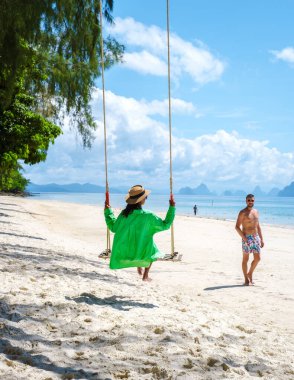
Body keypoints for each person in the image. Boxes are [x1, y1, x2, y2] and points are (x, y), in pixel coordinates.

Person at [104, 184, 176, 282]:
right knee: (152, 250)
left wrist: (107, 211)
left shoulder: (124, 215)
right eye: (145, 197)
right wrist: (172, 208)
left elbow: (113, 227)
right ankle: (145, 275)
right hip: (141, 251)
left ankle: (140, 265)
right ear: (141, 200)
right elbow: (166, 225)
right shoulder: (148, 216)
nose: (146, 199)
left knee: (140, 241)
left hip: (126, 250)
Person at [235, 194, 264, 285]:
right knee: (245, 259)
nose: (250, 202)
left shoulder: (256, 211)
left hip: (256, 237)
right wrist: (244, 238)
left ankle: (250, 273)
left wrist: (261, 239)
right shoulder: (242, 212)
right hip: (246, 237)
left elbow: (258, 226)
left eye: (252, 200)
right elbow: (237, 227)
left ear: (254, 201)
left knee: (258, 258)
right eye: (249, 200)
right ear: (246, 201)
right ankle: (246, 279)